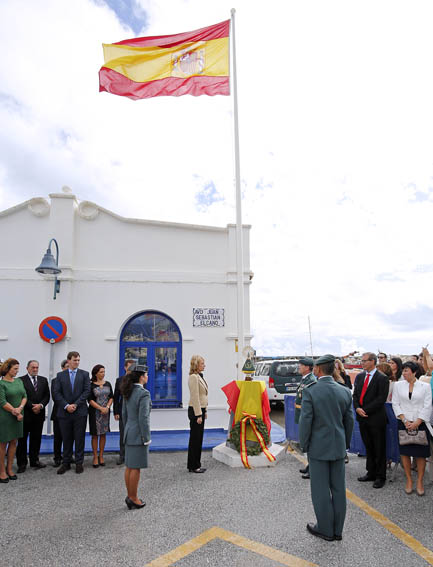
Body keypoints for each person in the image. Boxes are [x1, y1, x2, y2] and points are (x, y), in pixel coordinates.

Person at [299, 354, 354, 542]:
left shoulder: (311, 391)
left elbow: (306, 421)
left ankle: (325, 528)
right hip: (338, 446)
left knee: (320, 489)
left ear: (318, 369)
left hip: (318, 448)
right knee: (338, 489)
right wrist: (344, 444)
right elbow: (349, 421)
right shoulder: (345, 391)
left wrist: (304, 444)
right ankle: (338, 530)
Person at [392, 361, 432, 496]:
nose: (403, 373)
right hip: (403, 423)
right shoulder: (398, 385)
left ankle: (420, 481)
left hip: (420, 423)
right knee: (405, 452)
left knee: (421, 454)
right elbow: (395, 403)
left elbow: (428, 406)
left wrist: (417, 421)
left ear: (414, 372)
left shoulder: (425, 386)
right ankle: (409, 480)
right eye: (403, 370)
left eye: (406, 370)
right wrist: (404, 419)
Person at [353, 352, 389, 488]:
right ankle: (371, 472)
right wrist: (357, 408)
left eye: (364, 361)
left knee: (379, 448)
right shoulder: (360, 376)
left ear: (373, 361)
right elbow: (355, 395)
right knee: (368, 447)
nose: (362, 363)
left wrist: (365, 410)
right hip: (362, 418)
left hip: (376, 418)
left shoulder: (382, 378)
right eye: (361, 361)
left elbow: (381, 399)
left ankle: (380, 476)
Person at [52, 351, 90, 474]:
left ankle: (79, 463)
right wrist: (66, 405)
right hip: (64, 413)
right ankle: (66, 463)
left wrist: (75, 404)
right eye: (75, 360)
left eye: (78, 360)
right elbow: (56, 393)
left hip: (80, 412)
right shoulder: (60, 376)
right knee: (66, 438)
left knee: (79, 438)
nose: (77, 362)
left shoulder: (84, 374)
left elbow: (86, 391)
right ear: (68, 361)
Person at [121, 365, 151, 509]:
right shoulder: (143, 393)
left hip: (129, 432)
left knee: (129, 467)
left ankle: (130, 495)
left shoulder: (128, 391)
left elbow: (124, 415)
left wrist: (128, 430)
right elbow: (143, 418)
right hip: (138, 434)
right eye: (146, 374)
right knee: (136, 468)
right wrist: (146, 437)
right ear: (141, 377)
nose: (147, 377)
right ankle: (133, 498)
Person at [16, 360, 50, 473]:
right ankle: (22, 463)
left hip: (39, 415)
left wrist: (40, 405)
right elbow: (21, 396)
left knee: (36, 439)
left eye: (36, 367)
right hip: (26, 414)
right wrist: (32, 406)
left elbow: (47, 396)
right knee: (22, 440)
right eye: (32, 367)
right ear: (27, 368)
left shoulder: (43, 380)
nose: (35, 369)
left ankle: (35, 460)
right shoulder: (20, 380)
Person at [0, 359, 27, 483]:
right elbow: (2, 402)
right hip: (5, 418)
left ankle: (10, 468)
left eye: (18, 368)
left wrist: (20, 409)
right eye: (15, 369)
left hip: (18, 416)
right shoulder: (1, 384)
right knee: (2, 444)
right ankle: (2, 471)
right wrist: (15, 411)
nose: (17, 371)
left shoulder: (19, 381)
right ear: (7, 369)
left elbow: (24, 396)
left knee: (13, 442)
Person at [294, 357, 316, 479]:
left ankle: (313, 468)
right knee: (306, 441)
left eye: (301, 365)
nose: (299, 367)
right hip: (301, 414)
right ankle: (309, 465)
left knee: (310, 442)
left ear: (307, 367)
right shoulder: (304, 379)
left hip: (306, 415)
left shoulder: (311, 380)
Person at [88, 364, 113, 468]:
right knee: (95, 435)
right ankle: (95, 457)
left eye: (104, 371)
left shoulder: (108, 384)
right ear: (96, 373)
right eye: (101, 372)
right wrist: (100, 408)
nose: (103, 374)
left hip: (105, 413)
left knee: (103, 434)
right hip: (95, 413)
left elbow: (111, 397)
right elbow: (89, 400)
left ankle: (101, 456)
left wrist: (107, 407)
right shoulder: (91, 385)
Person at [187, 355, 208, 473]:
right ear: (196, 365)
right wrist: (199, 414)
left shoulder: (199, 376)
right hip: (196, 411)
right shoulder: (193, 377)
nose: (204, 365)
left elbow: (203, 395)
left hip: (200, 410)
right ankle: (194, 466)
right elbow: (195, 397)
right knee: (195, 439)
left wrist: (205, 411)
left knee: (198, 438)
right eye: (202, 363)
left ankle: (196, 464)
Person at [113, 359, 134, 465]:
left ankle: (132, 455)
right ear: (125, 367)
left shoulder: (137, 380)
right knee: (123, 434)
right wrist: (116, 412)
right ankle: (122, 455)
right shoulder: (119, 380)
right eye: (129, 367)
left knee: (133, 434)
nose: (131, 369)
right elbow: (116, 397)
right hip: (122, 411)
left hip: (134, 412)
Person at [51, 359, 68, 467]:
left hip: (72, 412)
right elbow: (55, 396)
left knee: (69, 437)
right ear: (62, 368)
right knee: (58, 437)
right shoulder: (55, 380)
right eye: (66, 367)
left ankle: (68, 456)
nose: (68, 369)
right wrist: (66, 405)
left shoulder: (74, 380)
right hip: (59, 412)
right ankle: (57, 458)